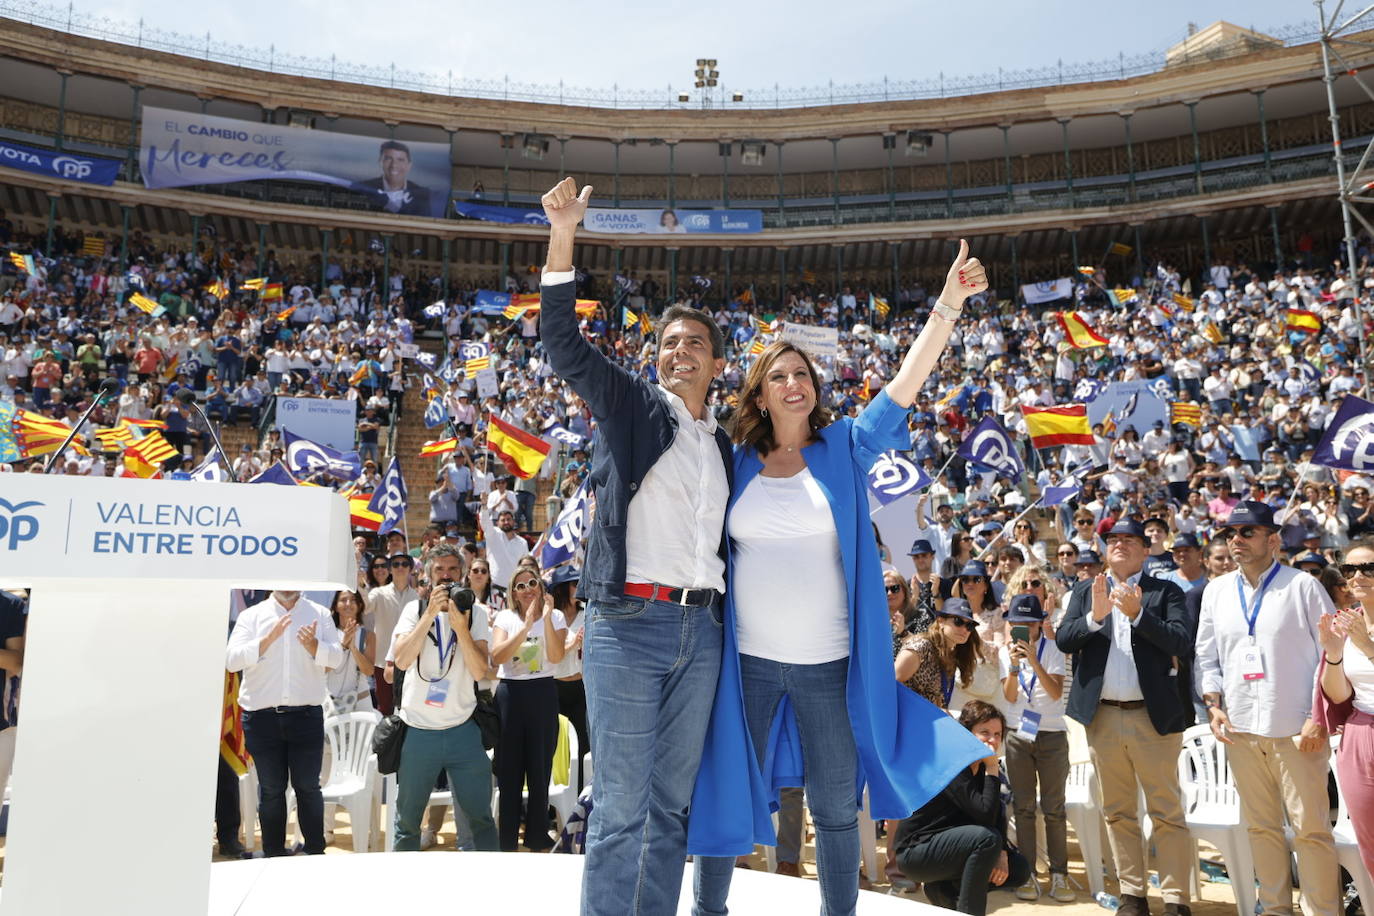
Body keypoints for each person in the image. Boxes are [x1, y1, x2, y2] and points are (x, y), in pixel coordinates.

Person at [692, 240, 990, 916]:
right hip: (748, 664)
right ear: (760, 395)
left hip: (830, 665)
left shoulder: (848, 445)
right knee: (729, 790)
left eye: (802, 373)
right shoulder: (733, 459)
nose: (793, 383)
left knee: (832, 807)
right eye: (778, 376)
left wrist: (948, 305)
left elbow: (907, 384)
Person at [540, 177, 732, 913]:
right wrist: (564, 234)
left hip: (701, 630)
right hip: (628, 625)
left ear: (717, 365)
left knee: (670, 807)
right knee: (618, 805)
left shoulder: (724, 447)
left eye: (696, 343)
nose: (681, 350)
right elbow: (561, 343)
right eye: (669, 342)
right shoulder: (631, 405)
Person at [1194, 501, 1339, 916]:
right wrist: (1213, 702)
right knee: (1261, 828)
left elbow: (1329, 654)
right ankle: (1275, 909)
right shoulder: (1217, 591)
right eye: (1229, 534)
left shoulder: (1303, 587)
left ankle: (1323, 911)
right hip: (1239, 727)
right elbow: (1207, 657)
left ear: (1272, 540)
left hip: (1296, 728)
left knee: (1311, 831)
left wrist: (1317, 717)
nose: (1235, 540)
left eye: (1246, 532)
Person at [1056, 519, 1195, 916]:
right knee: (1117, 811)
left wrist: (1137, 615)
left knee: (1166, 811)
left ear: (1145, 549)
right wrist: (1094, 618)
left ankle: (1175, 899)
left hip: (1152, 716)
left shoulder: (1165, 591)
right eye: (1113, 540)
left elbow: (1181, 642)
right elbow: (1064, 639)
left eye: (1128, 540)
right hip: (1103, 716)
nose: (1119, 545)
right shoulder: (1085, 591)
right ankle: (1133, 894)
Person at [389, 544, 497, 851]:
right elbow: (402, 660)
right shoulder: (413, 609)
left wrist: (461, 628)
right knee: (407, 822)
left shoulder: (475, 612)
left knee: (481, 819)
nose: (446, 577)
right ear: (427, 575)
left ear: (462, 574)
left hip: (462, 728)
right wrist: (429, 616)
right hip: (419, 731)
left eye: (452, 570)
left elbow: (479, 672)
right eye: (439, 570)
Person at [225, 589, 343, 857]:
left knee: (307, 786)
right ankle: (273, 855)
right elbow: (231, 661)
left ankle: (315, 853)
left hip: (306, 715)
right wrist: (266, 641)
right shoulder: (251, 615)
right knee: (271, 789)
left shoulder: (320, 613)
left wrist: (315, 647)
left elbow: (336, 658)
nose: (288, 584)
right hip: (261, 718)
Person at [893, 700, 1032, 916]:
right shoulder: (953, 764)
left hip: (948, 847)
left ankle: (943, 889)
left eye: (997, 734)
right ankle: (969, 911)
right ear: (966, 732)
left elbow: (996, 814)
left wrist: (1003, 853)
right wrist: (993, 767)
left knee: (1019, 868)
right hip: (916, 852)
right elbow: (986, 815)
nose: (992, 740)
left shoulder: (982, 767)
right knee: (987, 839)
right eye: (984, 732)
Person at [998, 594, 1074, 903]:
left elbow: (1056, 693)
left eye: (1028, 623)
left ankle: (1059, 874)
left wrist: (1034, 660)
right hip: (1019, 734)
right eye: (1017, 623)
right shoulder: (1006, 654)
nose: (1023, 628)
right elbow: (1011, 697)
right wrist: (1016, 666)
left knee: (1054, 808)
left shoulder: (1054, 650)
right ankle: (1027, 872)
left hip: (1052, 735)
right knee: (1023, 807)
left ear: (1039, 623)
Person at [490, 564, 567, 851]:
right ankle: (506, 840)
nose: (527, 590)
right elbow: (498, 656)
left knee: (539, 767)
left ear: (541, 586)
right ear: (512, 592)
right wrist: (524, 627)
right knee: (509, 771)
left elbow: (557, 656)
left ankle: (536, 834)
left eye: (532, 583)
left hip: (543, 693)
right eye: (520, 586)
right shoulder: (505, 617)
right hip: (511, 693)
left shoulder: (556, 616)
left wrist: (544, 619)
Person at [1315, 544, 1374, 879]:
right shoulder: (1345, 623)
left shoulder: (1358, 631)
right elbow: (1338, 695)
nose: (1359, 576)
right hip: (1360, 735)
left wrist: (1366, 646)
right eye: (1350, 570)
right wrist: (1335, 654)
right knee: (1369, 840)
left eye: (1369, 568)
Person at [363, 553, 417, 715]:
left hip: (410, 661)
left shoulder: (417, 597)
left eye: (404, 564)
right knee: (385, 708)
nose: (400, 567)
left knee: (408, 706)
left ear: (410, 569)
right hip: (383, 661)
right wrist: (360, 585)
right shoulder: (378, 593)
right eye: (395, 564)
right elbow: (365, 607)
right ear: (390, 569)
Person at [350, 140, 435, 216]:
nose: (394, 165)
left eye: (400, 160)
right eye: (388, 159)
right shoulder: (363, 188)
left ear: (409, 165)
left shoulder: (421, 195)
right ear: (380, 162)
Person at [325, 589, 375, 714]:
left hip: (361, 700)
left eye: (353, 600)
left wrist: (353, 648)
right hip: (330, 701)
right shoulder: (327, 633)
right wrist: (343, 646)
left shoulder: (368, 635)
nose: (348, 603)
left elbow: (369, 671)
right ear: (336, 606)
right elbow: (323, 669)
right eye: (343, 600)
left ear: (359, 605)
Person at [483, 510, 529, 600]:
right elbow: (484, 521)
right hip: (493, 588)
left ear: (514, 522)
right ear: (497, 523)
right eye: (503, 520)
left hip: (514, 590)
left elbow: (525, 566)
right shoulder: (493, 535)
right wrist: (484, 505)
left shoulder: (522, 542)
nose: (506, 522)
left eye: (508, 519)